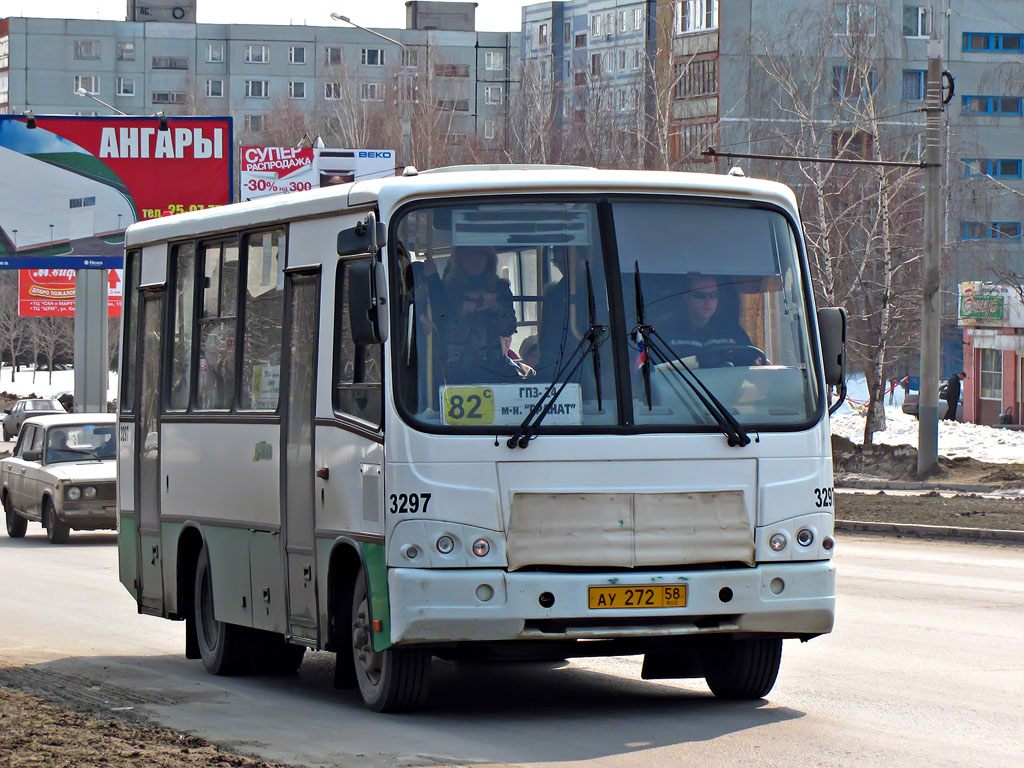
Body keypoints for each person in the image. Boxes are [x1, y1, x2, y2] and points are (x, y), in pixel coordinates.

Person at [423, 245, 517, 385]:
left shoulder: (500, 288)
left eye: (480, 254)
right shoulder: (447, 289)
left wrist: (496, 307)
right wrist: (462, 311)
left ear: (489, 259)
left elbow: (509, 328)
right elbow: (439, 331)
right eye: (469, 254)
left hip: (493, 369)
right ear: (459, 259)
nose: (475, 260)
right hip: (457, 369)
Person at [660, 275, 756, 364]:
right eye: (700, 295)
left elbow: (751, 366)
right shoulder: (666, 332)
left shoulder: (733, 332)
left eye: (713, 295)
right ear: (686, 298)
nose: (708, 301)